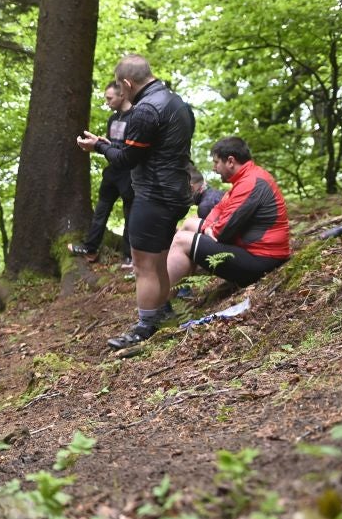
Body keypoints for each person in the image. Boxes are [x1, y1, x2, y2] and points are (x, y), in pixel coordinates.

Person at [77, 54, 194, 349]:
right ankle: (163, 310)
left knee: (143, 266)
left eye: (120, 86)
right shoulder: (176, 102)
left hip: (154, 195)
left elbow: (126, 160)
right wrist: (109, 144)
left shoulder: (145, 111)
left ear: (128, 83)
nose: (121, 91)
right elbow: (150, 150)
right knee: (159, 260)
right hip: (176, 191)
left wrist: (98, 146)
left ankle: (145, 326)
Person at [166, 137, 290, 292]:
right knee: (190, 223)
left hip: (264, 259)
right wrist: (210, 228)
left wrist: (212, 229)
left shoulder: (250, 183)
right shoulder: (246, 178)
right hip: (253, 250)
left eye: (216, 162)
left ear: (231, 161)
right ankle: (183, 289)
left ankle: (162, 303)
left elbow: (222, 232)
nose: (214, 168)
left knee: (181, 240)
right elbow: (218, 209)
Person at [67, 81, 135, 267]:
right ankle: (91, 248)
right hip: (112, 171)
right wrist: (99, 144)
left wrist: (105, 146)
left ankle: (129, 256)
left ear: (122, 95)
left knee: (130, 214)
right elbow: (112, 145)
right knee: (100, 210)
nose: (107, 102)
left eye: (109, 98)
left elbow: (131, 149)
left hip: (129, 173)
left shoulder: (136, 117)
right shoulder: (112, 119)